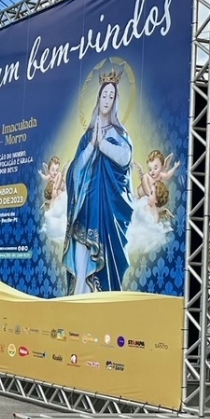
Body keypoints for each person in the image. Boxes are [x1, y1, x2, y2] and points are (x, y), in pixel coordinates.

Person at [63, 65, 134, 295]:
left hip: (105, 212)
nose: (107, 99)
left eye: (111, 96)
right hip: (84, 209)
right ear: (98, 97)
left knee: (102, 259)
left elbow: (125, 158)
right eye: (104, 94)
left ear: (115, 102)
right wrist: (92, 145)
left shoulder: (118, 133)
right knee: (82, 258)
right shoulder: (88, 135)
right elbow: (75, 171)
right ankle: (78, 300)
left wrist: (103, 145)